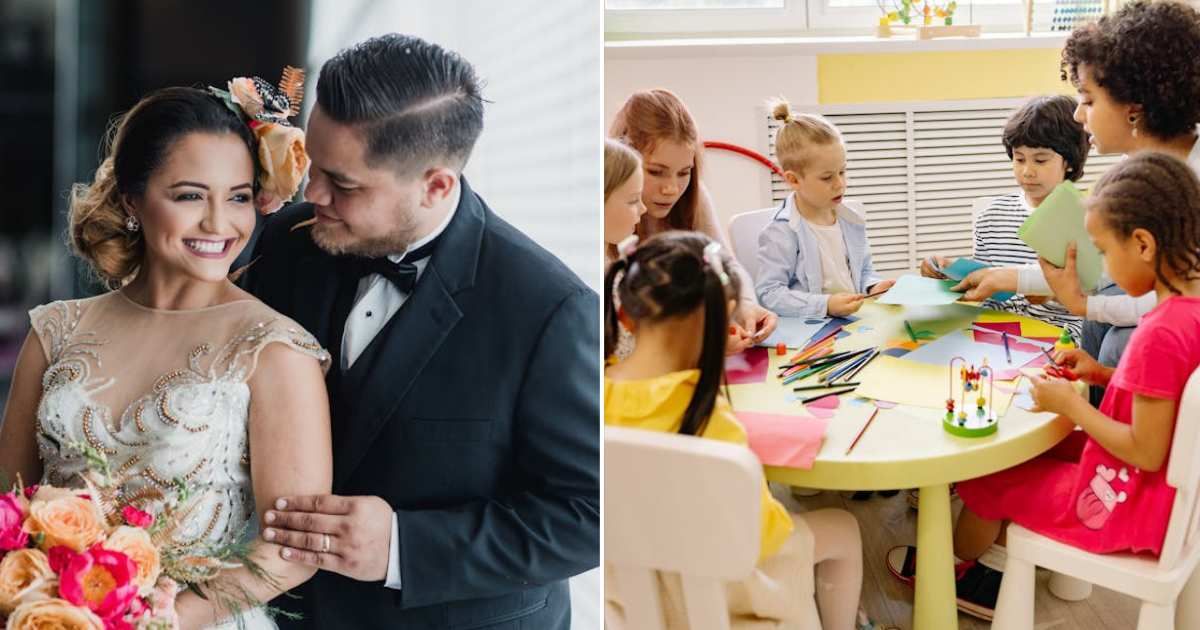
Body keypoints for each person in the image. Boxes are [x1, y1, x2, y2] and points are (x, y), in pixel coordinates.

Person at [240, 34, 600, 629]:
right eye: (314, 164)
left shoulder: (550, 311)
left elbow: (591, 511)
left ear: (435, 184)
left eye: (344, 184)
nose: (312, 194)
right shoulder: (289, 243)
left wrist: (406, 546)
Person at [0, 83, 331, 628]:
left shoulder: (273, 350)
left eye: (240, 196)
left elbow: (289, 552)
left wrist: (162, 619)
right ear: (132, 199)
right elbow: (10, 509)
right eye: (189, 195)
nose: (219, 224)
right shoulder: (55, 330)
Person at [891, 152, 1200, 620]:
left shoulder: (1159, 331)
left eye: (1104, 252)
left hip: (1125, 504)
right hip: (1158, 495)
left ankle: (951, 571)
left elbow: (1146, 450)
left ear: (1142, 244)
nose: (1105, 274)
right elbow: (1167, 397)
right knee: (1024, 451)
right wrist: (1100, 373)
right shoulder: (1186, 310)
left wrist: (1070, 406)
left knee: (986, 469)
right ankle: (988, 554)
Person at [604, 231, 893, 630]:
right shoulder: (707, 419)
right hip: (719, 590)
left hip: (624, 592)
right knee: (843, 528)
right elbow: (762, 534)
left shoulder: (591, 394)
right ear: (721, 326)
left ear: (625, 316)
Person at [609, 88, 777, 354]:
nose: (672, 189)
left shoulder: (694, 196)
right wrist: (702, 344)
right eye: (656, 172)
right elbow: (623, 341)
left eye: (684, 173)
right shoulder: (609, 225)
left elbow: (725, 263)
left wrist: (745, 305)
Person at [920, 95, 1087, 339]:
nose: (1027, 171)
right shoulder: (991, 216)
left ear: (1069, 162)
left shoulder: (1088, 218)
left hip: (1059, 336)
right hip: (995, 331)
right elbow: (985, 283)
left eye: (1040, 160)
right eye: (1019, 159)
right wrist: (947, 271)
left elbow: (1089, 295)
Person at [755, 98, 895, 319]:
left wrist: (873, 287)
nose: (840, 183)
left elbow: (864, 271)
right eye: (827, 177)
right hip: (813, 330)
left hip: (854, 322)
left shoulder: (851, 219)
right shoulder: (781, 232)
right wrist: (826, 304)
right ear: (793, 180)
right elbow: (769, 294)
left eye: (842, 172)